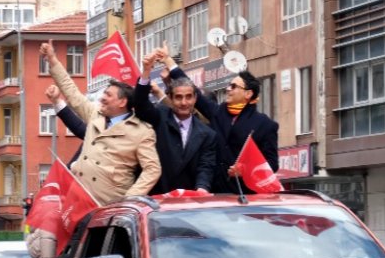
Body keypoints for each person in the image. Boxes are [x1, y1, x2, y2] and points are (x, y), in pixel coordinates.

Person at [40, 41, 161, 205]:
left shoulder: (141, 131)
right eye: (104, 93)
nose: (102, 98)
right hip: (79, 198)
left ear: (122, 102)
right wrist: (53, 60)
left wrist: (130, 199)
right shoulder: (95, 115)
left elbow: (152, 169)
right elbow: (72, 93)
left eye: (108, 95)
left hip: (109, 206)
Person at [159, 48, 279, 194]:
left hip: (244, 196)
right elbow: (193, 89)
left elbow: (272, 164)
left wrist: (245, 170)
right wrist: (169, 61)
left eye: (234, 86)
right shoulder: (218, 113)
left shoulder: (265, 125)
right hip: (213, 194)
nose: (228, 89)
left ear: (248, 94)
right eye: (229, 85)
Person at [133, 52, 217, 195]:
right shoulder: (159, 117)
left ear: (195, 99)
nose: (184, 103)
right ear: (170, 98)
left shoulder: (207, 134)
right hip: (156, 200)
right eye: (178, 97)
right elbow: (140, 104)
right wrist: (146, 72)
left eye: (188, 97)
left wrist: (202, 188)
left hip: (188, 203)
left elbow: (206, 166)